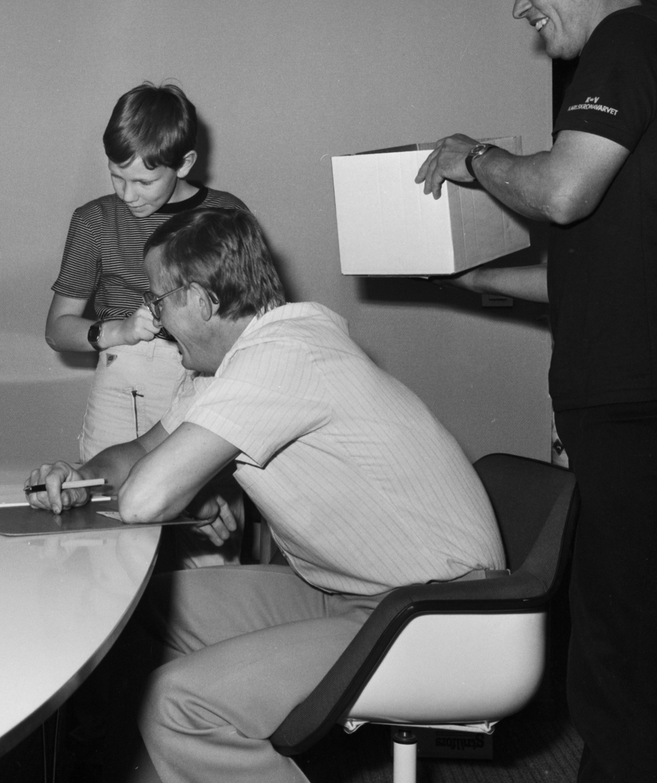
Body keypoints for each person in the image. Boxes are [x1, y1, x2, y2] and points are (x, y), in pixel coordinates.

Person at [415, 0, 657, 783]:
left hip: (650, 411)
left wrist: (476, 158)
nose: (521, 5)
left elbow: (561, 192)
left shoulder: (628, 40)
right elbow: (609, 270)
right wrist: (478, 282)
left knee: (623, 658)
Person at [29, 207, 504, 783]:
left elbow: (143, 499)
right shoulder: (231, 365)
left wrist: (172, 489)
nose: (152, 318)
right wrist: (77, 479)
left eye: (158, 301)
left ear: (200, 301)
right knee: (134, 613)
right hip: (355, 594)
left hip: (440, 615)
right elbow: (137, 454)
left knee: (178, 706)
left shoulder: (283, 355)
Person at [46, 82, 248, 461]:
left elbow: (255, 321)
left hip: (212, 378)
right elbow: (57, 330)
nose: (127, 195)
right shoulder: (93, 220)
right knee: (109, 490)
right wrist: (120, 331)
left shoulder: (227, 215)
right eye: (117, 176)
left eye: (144, 182)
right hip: (124, 377)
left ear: (184, 163)